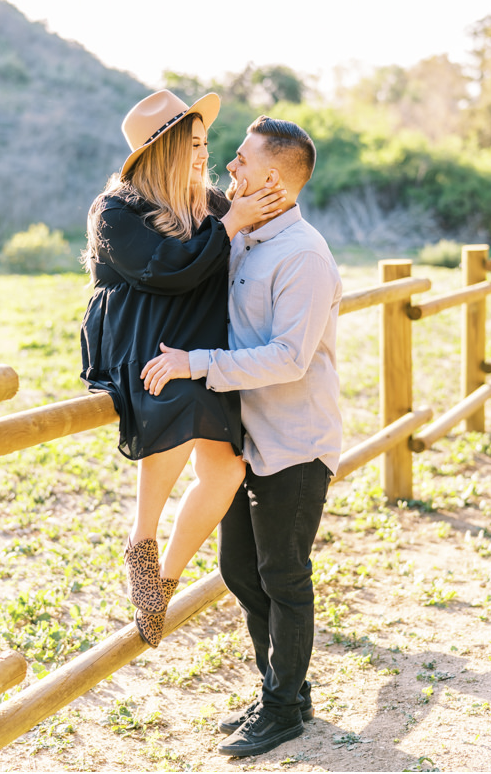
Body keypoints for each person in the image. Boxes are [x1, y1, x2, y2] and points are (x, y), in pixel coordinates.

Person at [140, 115, 343, 759]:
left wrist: (194, 362)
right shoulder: (245, 237)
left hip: (295, 442)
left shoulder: (303, 254)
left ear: (274, 177)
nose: (230, 169)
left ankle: (283, 707)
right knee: (238, 568)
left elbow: (289, 357)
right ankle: (283, 689)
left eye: (240, 161)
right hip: (243, 440)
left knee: (283, 574)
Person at [80, 90, 285, 648]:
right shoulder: (117, 210)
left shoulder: (212, 202)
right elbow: (169, 272)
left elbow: (261, 227)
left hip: (197, 344)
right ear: (163, 150)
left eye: (205, 143)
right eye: (192, 144)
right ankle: (141, 538)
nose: (203, 153)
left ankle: (163, 577)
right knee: (177, 399)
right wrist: (233, 222)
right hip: (140, 341)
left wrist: (261, 203)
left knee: (227, 470)